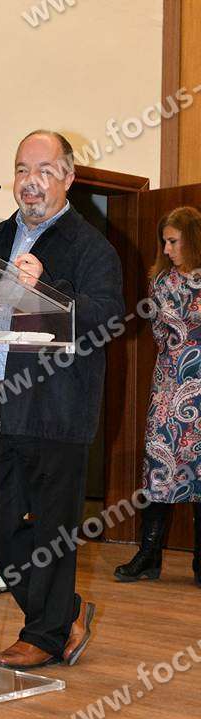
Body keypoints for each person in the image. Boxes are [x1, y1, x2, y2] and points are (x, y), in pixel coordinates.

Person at [0, 130, 125, 670]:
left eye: (44, 170)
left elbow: (107, 318)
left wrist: (48, 292)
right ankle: (65, 612)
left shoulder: (91, 247)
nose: (30, 181)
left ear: (68, 178)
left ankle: (44, 633)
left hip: (57, 406)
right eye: (21, 169)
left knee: (53, 529)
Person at [115, 206, 201, 585]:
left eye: (173, 241)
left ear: (192, 240)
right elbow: (160, 334)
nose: (166, 249)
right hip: (169, 386)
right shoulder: (161, 282)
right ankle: (148, 555)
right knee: (159, 468)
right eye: (164, 242)